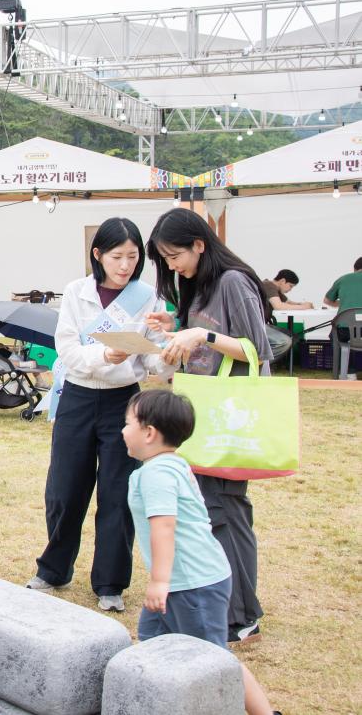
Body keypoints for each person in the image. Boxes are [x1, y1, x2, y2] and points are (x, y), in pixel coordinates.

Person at [27, 218, 172, 613]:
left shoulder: (147, 297)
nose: (125, 265)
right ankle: (53, 569)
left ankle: (110, 582)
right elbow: (68, 350)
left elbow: (156, 359)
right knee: (64, 487)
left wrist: (170, 346)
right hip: (77, 396)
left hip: (124, 402)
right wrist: (103, 355)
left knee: (118, 492)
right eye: (117, 256)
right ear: (98, 255)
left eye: (133, 256)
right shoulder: (77, 291)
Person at [145, 208, 272, 644]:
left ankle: (243, 614)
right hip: (202, 409)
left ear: (200, 244)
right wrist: (177, 327)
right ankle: (225, 604)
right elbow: (201, 336)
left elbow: (257, 348)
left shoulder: (233, 281)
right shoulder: (198, 284)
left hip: (229, 414)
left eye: (173, 255)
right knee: (209, 511)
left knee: (226, 511)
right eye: (165, 259)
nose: (172, 265)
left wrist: (201, 336)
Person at [123, 390, 277, 715]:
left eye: (127, 423)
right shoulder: (171, 464)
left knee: (212, 661)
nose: (122, 430)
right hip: (186, 582)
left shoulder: (158, 474)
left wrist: (159, 582)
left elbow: (164, 526)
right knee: (153, 644)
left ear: (148, 433)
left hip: (191, 584)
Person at [324, 257, 362, 344]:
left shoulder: (343, 279)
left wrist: (344, 302)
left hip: (345, 330)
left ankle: (339, 357)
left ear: (355, 269)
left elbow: (327, 300)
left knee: (335, 338)